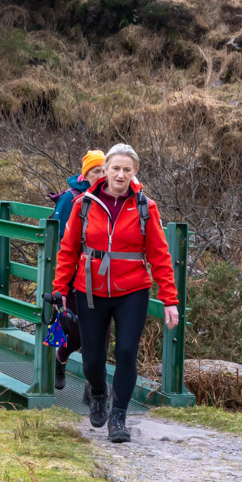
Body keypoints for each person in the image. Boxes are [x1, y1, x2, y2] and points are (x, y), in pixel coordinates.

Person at [50, 143, 179, 443]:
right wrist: (60, 290)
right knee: (93, 359)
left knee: (125, 353)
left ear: (135, 173)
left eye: (127, 169)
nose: (120, 175)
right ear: (105, 170)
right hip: (90, 289)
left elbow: (160, 255)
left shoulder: (146, 207)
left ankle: (118, 416)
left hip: (132, 290)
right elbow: (68, 251)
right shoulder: (84, 204)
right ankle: (98, 393)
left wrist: (170, 299)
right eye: (115, 168)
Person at [50, 150, 106, 391]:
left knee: (100, 331)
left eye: (105, 170)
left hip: (101, 277)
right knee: (66, 324)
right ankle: (56, 360)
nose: (101, 175)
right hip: (73, 274)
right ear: (86, 174)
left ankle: (94, 386)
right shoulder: (71, 199)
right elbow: (63, 240)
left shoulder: (115, 198)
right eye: (96, 171)